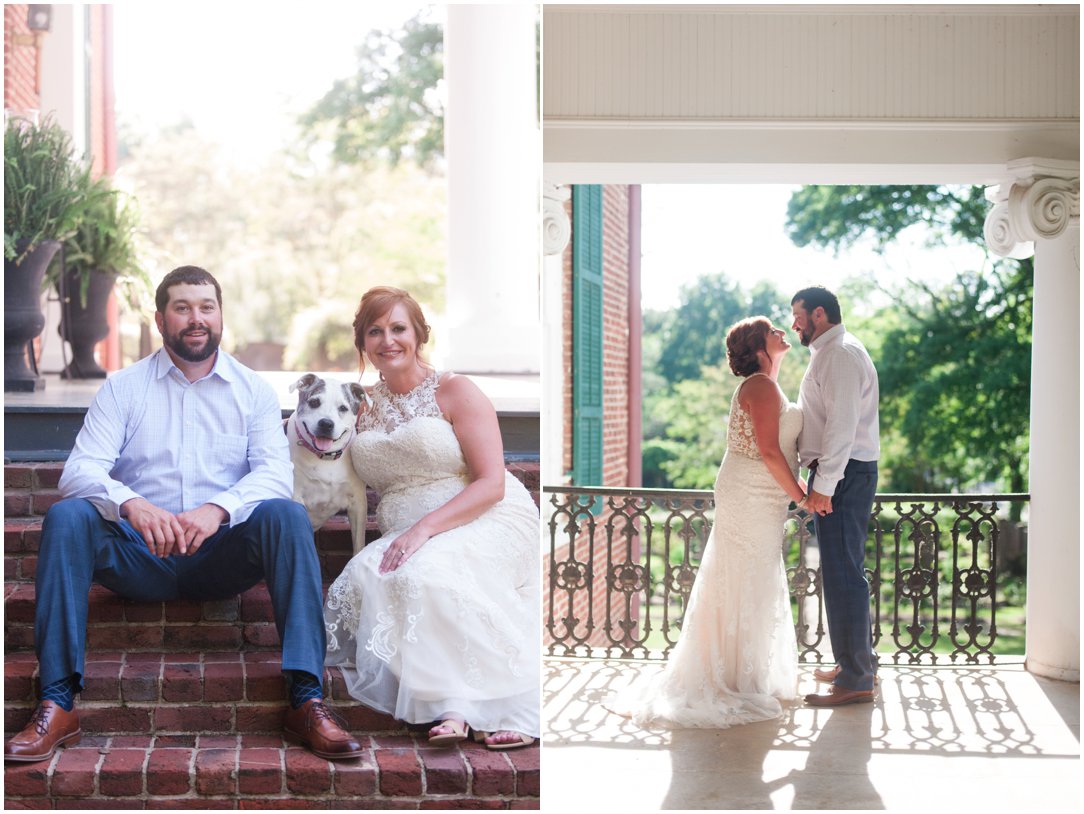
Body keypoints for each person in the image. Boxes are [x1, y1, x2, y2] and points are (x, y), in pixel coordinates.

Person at [4, 266, 362, 763]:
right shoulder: (123, 387)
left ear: (220, 316)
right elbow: (81, 469)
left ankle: (307, 699)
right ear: (160, 318)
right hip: (138, 554)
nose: (196, 318)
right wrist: (131, 504)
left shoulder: (253, 391)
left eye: (206, 307)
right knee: (68, 517)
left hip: (221, 557)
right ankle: (57, 704)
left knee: (286, 515)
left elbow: (274, 477)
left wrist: (218, 509)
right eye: (182, 307)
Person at [323, 286, 539, 750]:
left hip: (484, 513)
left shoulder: (455, 390)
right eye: (375, 331)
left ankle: (492, 706)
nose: (388, 340)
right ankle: (453, 702)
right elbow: (318, 448)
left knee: (431, 574)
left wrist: (425, 529)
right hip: (406, 529)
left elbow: (491, 482)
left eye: (398, 328)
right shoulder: (359, 405)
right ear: (362, 341)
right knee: (368, 575)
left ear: (418, 334)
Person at [608, 316, 806, 728]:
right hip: (751, 493)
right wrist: (801, 496)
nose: (782, 333)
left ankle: (741, 672)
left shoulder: (766, 385)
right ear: (757, 346)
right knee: (744, 576)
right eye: (773, 331)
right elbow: (770, 452)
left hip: (759, 493)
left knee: (750, 575)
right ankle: (731, 677)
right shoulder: (762, 387)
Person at [790, 286, 880, 706]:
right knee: (844, 572)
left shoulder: (840, 354)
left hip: (842, 476)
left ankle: (856, 678)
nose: (794, 325)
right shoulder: (832, 351)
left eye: (799, 316)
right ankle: (854, 665)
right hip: (842, 474)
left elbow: (841, 426)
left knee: (844, 576)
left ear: (819, 314)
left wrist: (823, 485)